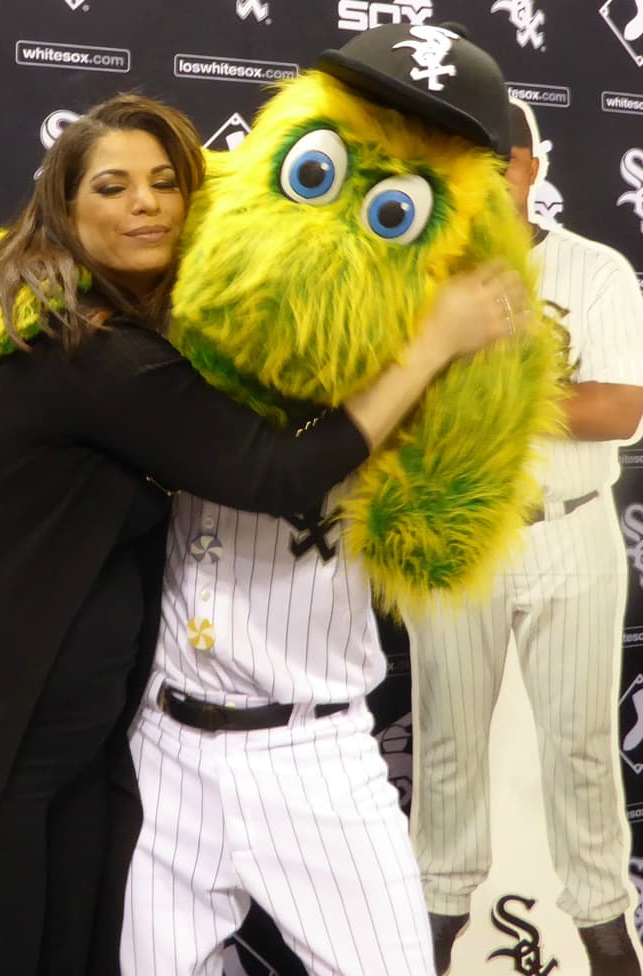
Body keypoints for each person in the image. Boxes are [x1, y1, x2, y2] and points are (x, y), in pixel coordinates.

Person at [0, 91, 529, 976]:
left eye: (164, 183)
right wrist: (432, 342)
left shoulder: (125, 333)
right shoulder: (89, 350)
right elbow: (275, 473)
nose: (145, 204)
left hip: (56, 737)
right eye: (112, 187)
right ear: (64, 207)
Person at [118, 25, 539, 976]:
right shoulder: (190, 290)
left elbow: (437, 526)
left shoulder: (422, 370)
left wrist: (448, 339)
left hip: (312, 752)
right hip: (164, 738)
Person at [406, 99, 643, 976]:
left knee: (581, 745)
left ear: (530, 169)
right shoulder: (416, 273)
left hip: (569, 526)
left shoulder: (594, 268)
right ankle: (434, 919)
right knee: (446, 744)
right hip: (459, 524)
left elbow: (616, 409)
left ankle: (603, 924)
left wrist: (474, 384)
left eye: (500, 160)